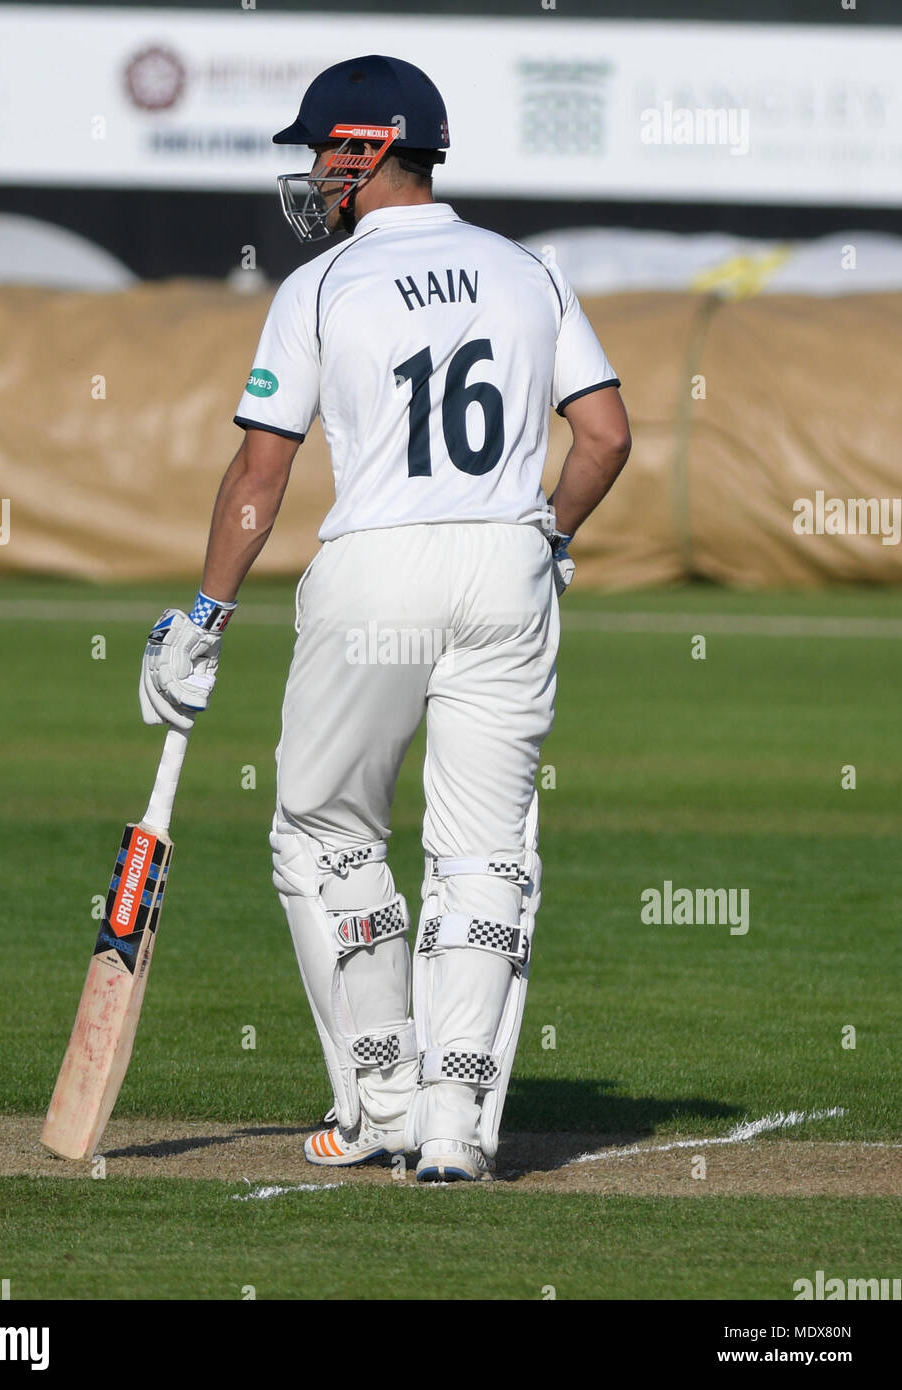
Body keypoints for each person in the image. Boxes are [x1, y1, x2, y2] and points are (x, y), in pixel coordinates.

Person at [139, 55, 630, 1182]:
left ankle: (382, 1103)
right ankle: (455, 1130)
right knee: (483, 855)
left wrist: (203, 616)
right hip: (507, 562)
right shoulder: (529, 272)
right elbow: (603, 438)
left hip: (376, 568)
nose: (311, 176)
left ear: (366, 147)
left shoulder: (318, 288)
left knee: (321, 830)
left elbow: (260, 472)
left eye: (320, 152)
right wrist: (545, 538)